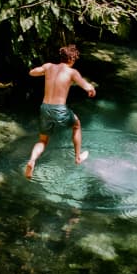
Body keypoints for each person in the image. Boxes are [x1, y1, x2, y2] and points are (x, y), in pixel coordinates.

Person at [24, 44, 96, 179]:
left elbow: (32, 72)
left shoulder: (48, 66)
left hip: (45, 107)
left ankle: (32, 160)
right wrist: (91, 89)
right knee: (77, 125)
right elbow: (86, 86)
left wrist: (44, 72)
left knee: (43, 140)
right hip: (59, 109)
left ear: (61, 57)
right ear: (72, 59)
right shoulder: (72, 72)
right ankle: (78, 157)